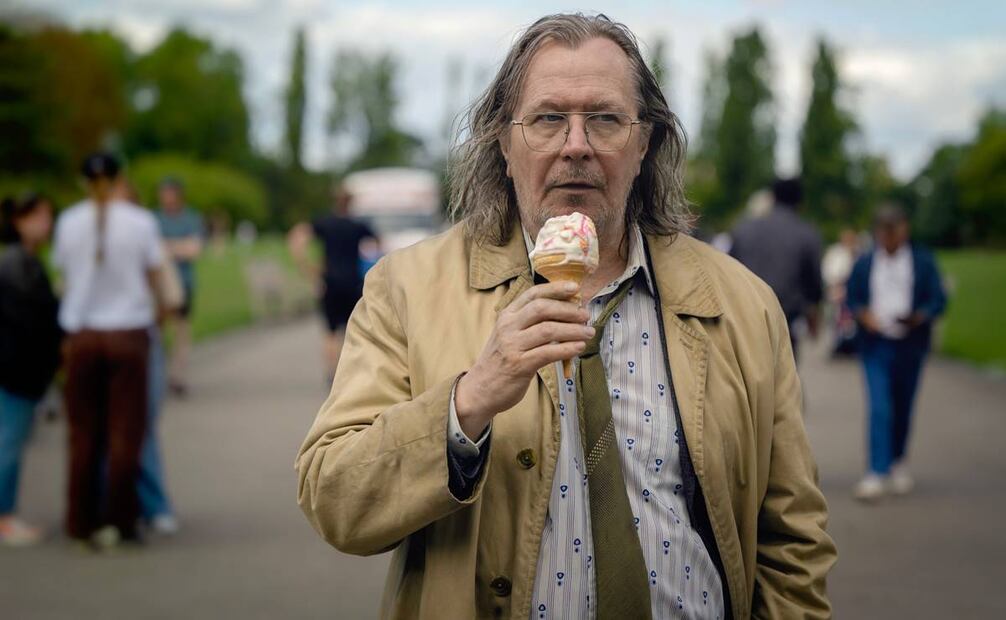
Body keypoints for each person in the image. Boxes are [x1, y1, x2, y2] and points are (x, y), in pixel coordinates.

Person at [297, 13, 835, 619]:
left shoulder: (743, 303)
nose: (575, 144)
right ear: (504, 143)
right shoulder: (407, 290)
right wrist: (467, 403)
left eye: (604, 119)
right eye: (549, 118)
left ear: (644, 144)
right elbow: (334, 498)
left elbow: (794, 540)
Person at [54, 153, 166, 548]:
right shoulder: (140, 222)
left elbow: (67, 277)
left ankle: (81, 520)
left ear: (84, 181)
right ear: (121, 177)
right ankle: (121, 518)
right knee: (125, 431)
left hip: (83, 335)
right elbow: (154, 278)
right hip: (128, 333)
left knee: (84, 432)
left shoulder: (68, 222)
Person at [846, 205, 946, 501]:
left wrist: (919, 316)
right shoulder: (865, 262)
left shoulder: (923, 261)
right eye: (884, 230)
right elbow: (852, 297)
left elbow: (937, 300)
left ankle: (898, 460)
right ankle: (877, 471)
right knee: (880, 406)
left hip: (910, 344)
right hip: (876, 344)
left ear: (904, 229)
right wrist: (864, 315)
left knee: (903, 405)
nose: (890, 236)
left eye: (895, 229)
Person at [115, 180, 183, 535]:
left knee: (141, 423)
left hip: (141, 338)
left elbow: (169, 294)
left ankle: (152, 504)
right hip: (112, 342)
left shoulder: (146, 240)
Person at [0, 193, 61, 546]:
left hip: (22, 370)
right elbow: (32, 321)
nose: (47, 224)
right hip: (16, 371)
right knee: (9, 442)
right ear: (20, 220)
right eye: (40, 216)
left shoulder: (23, 262)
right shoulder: (16, 265)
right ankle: (5, 515)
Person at [729, 177, 824, 362]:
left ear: (772, 197)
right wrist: (814, 315)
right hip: (784, 320)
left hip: (743, 317)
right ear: (800, 201)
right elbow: (813, 283)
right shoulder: (805, 234)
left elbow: (727, 271)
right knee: (782, 380)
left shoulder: (744, 229)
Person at [287, 189, 377, 381]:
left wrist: (308, 268)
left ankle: (332, 373)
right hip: (353, 283)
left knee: (330, 331)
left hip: (330, 282)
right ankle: (351, 374)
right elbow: (378, 246)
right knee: (354, 331)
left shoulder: (324, 223)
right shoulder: (358, 226)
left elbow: (297, 238)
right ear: (351, 204)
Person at [155, 178, 204, 397]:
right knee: (157, 331)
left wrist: (166, 247)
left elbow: (193, 250)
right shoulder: (154, 218)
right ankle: (158, 373)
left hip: (183, 283)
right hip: (158, 286)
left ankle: (178, 376)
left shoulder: (191, 218)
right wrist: (178, 247)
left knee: (181, 330)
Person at [822, 228, 861, 356]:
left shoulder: (858, 252)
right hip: (836, 289)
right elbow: (829, 271)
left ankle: (849, 344)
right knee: (834, 319)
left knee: (849, 321)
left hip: (851, 291)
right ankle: (836, 345)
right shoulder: (835, 252)